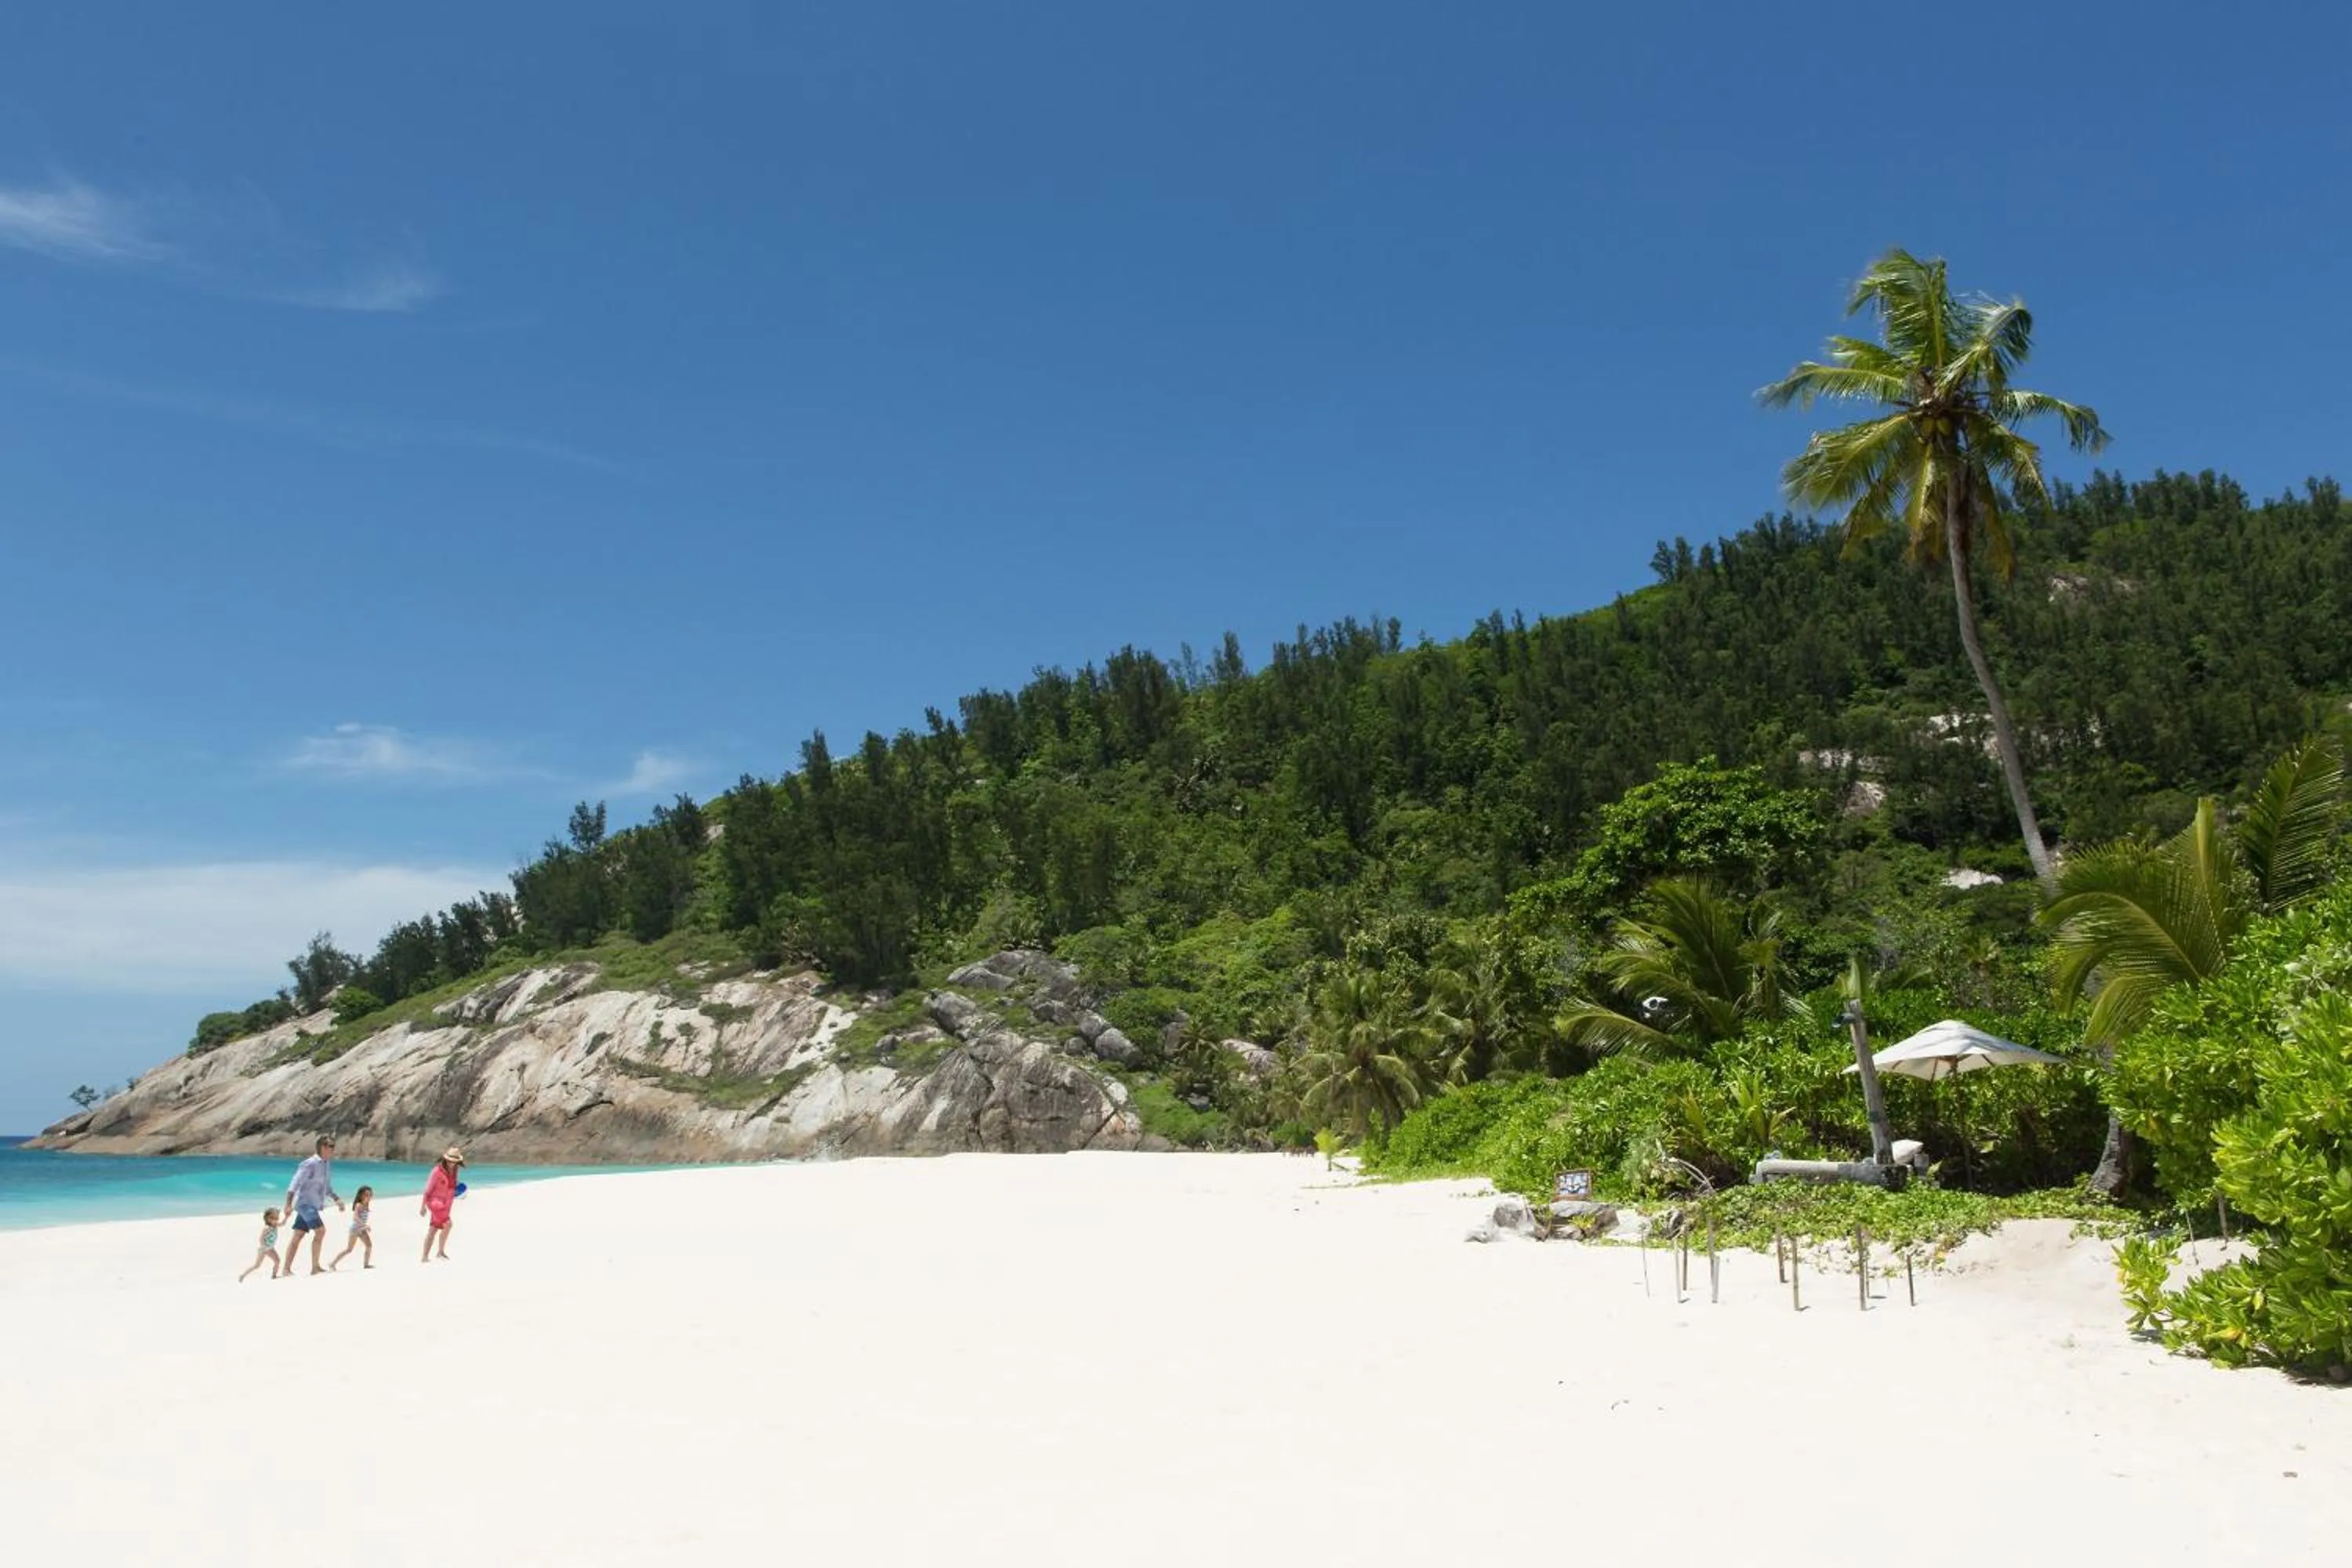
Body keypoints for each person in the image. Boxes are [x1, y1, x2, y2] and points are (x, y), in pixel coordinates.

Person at [281, 1135, 346, 1276]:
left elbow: (326, 1188)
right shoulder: (310, 1164)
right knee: (320, 1231)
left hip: (313, 1205)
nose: (333, 1150)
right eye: (331, 1147)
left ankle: (286, 1269)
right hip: (305, 1204)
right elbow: (294, 1184)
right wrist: (287, 1205)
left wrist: (337, 1199)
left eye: (333, 1147)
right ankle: (315, 1267)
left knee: (298, 1235)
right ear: (323, 1147)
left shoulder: (326, 1164)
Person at [419, 1148, 463, 1262]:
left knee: (433, 1229)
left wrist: (460, 1190)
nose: (452, 1164)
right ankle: (440, 1252)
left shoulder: (455, 1170)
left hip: (447, 1204)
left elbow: (452, 1186)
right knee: (448, 1224)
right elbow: (428, 1189)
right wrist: (423, 1206)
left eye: (455, 1161)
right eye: (450, 1161)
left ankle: (425, 1257)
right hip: (435, 1203)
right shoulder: (436, 1171)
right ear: (445, 1159)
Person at [329, 1185, 376, 1271]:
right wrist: (365, 1225)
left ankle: (366, 1264)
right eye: (367, 1195)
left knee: (369, 1246)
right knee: (349, 1249)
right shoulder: (359, 1205)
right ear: (361, 1195)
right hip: (355, 1230)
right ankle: (332, 1264)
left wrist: (364, 1227)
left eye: (370, 1195)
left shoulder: (366, 1205)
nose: (369, 1197)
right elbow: (355, 1218)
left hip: (362, 1230)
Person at [239, 1208, 283, 1282]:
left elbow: (283, 1224)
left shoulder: (276, 1226)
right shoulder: (267, 1228)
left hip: (271, 1248)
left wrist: (287, 1217)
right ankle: (243, 1275)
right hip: (264, 1249)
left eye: (277, 1218)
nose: (276, 1220)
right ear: (268, 1219)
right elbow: (261, 1239)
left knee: (277, 1261)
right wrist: (264, 1246)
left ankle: (274, 1276)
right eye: (274, 1218)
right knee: (257, 1266)